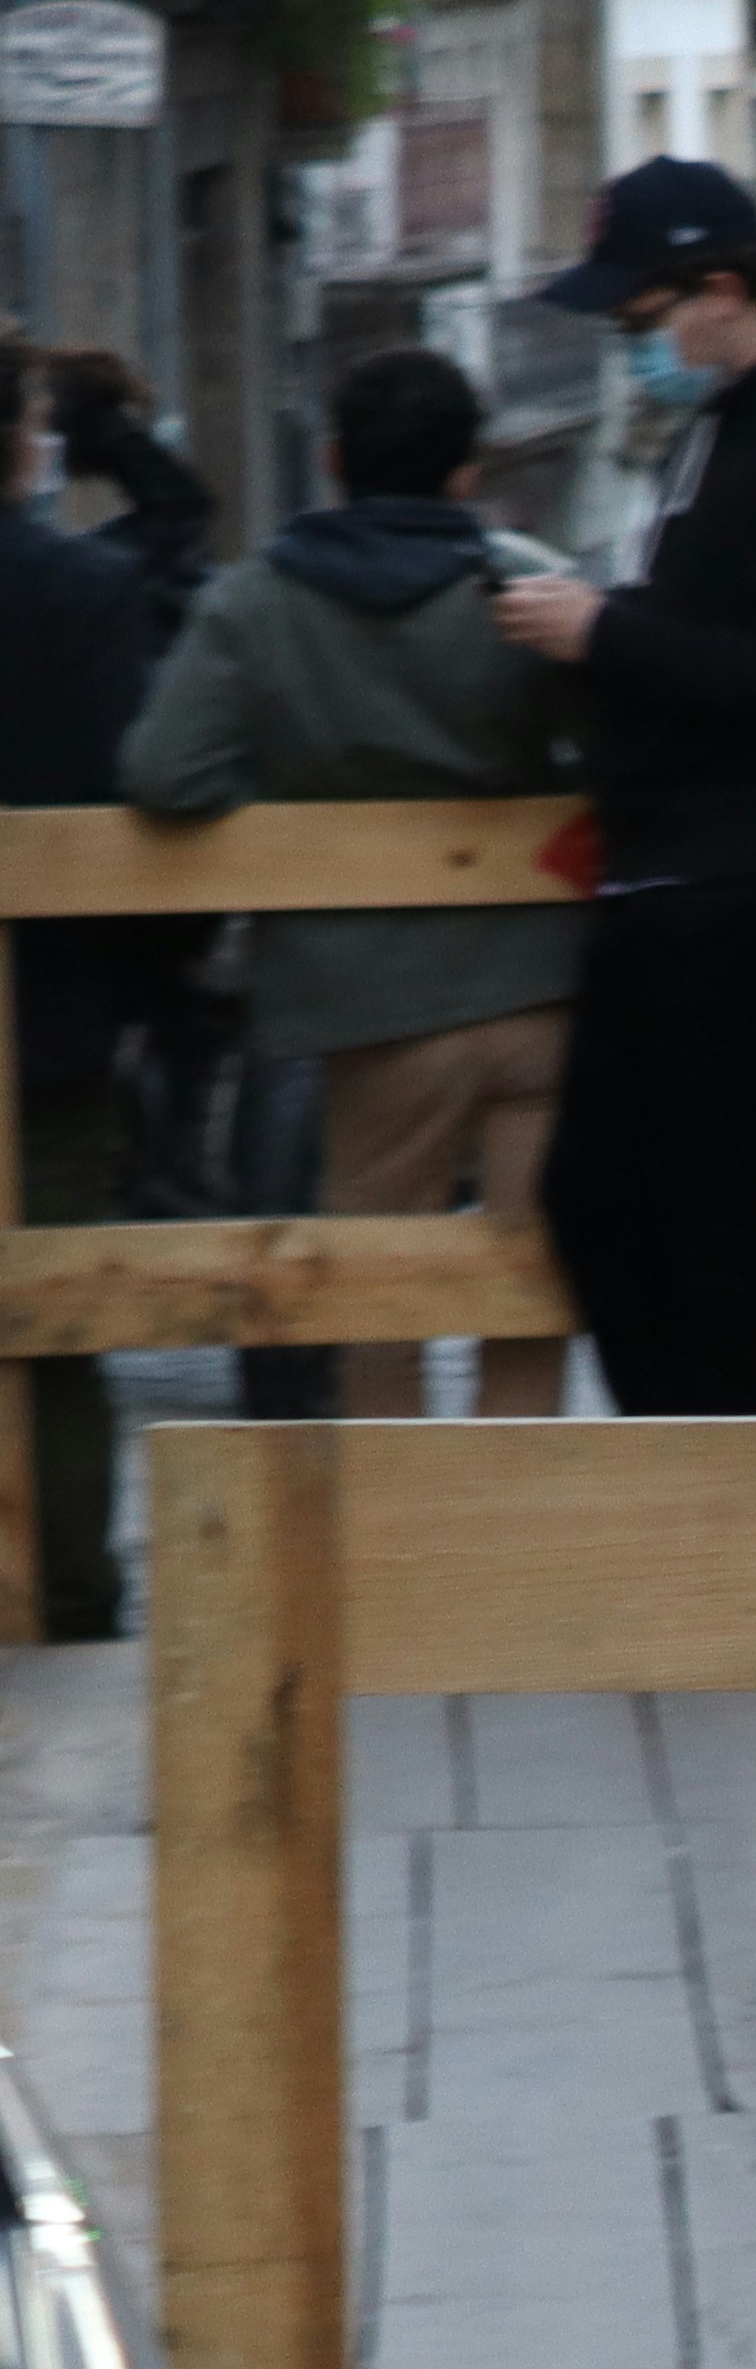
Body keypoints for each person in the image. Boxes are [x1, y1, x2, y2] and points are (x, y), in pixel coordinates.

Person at [488, 156, 756, 1418]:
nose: (635, 349)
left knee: (702, 1208)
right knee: (608, 1196)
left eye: (642, 320)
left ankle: (719, 1476)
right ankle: (689, 1454)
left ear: (721, 290)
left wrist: (604, 637)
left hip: (753, 880)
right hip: (679, 873)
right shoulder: (731, 421)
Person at [118, 346, 592, 1423]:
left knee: (381, 1285)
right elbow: (614, 745)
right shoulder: (525, 585)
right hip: (540, 987)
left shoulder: (255, 603)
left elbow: (165, 771)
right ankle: (513, 1532)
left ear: (331, 460)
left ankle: (399, 1545)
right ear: (467, 472)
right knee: (531, 1278)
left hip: (367, 997)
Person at [0, 331, 210, 1634]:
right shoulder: (82, 594)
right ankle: (68, 1583)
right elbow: (134, 796)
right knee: (60, 1322)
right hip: (55, 1009)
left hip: (62, 1002)